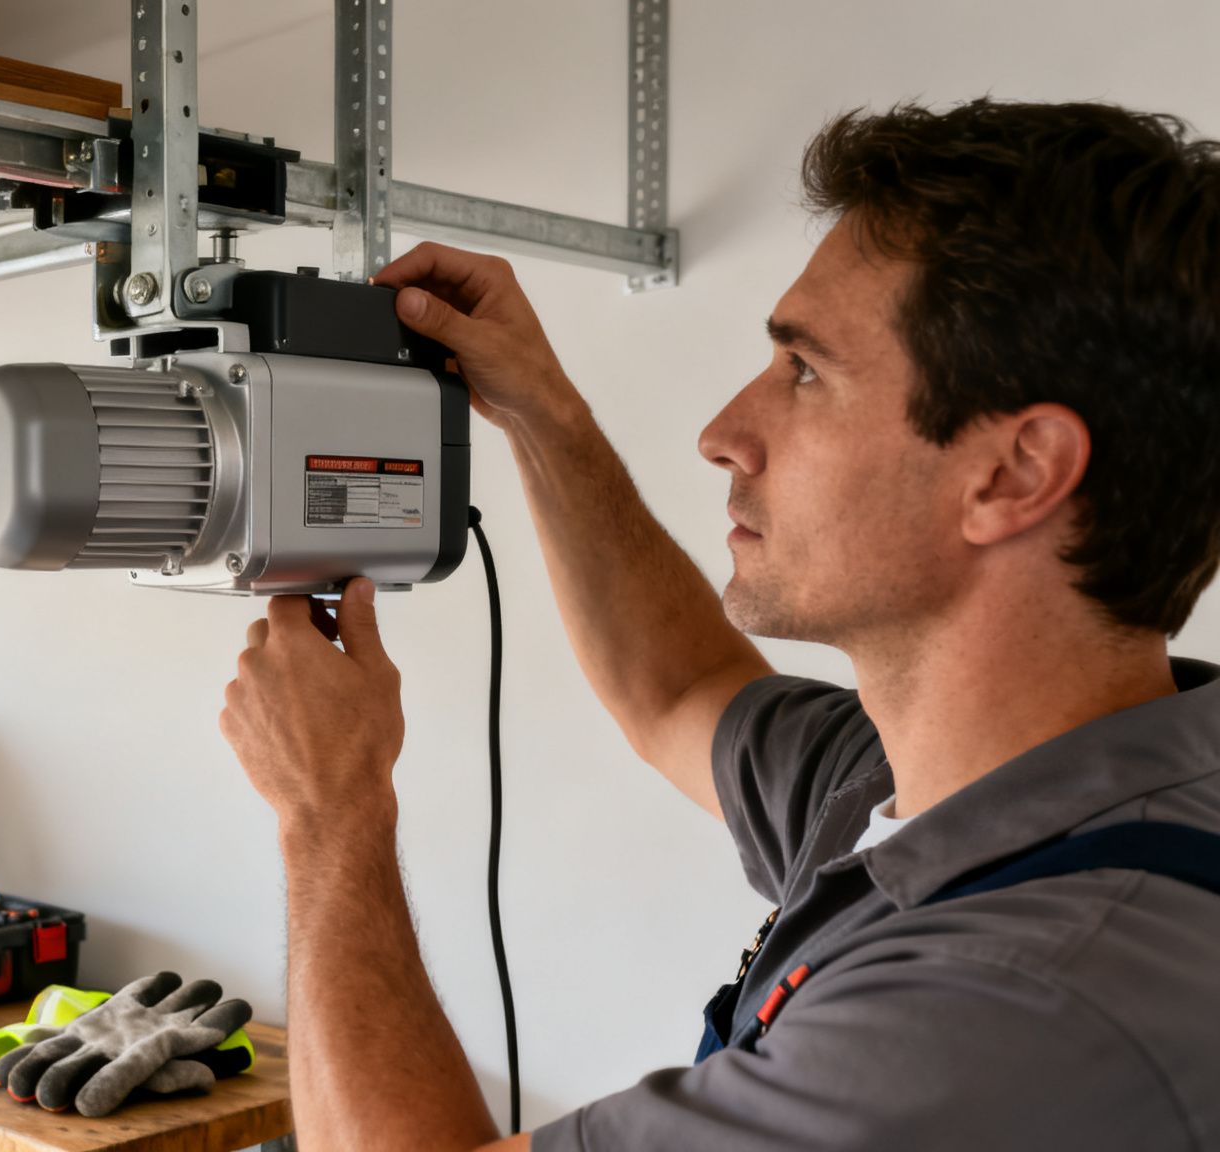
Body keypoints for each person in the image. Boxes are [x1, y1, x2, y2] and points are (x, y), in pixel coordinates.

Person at [218, 98, 1220, 1150]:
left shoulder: (1004, 1007)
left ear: (1011, 473)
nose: (721, 434)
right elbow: (677, 688)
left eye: (804, 371)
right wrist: (539, 412)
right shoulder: (963, 782)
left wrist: (328, 811)